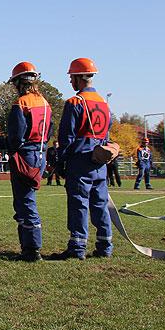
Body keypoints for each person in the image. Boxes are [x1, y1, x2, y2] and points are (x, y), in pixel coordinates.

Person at [56, 58, 113, 260]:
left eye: (72, 77)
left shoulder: (75, 102)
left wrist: (60, 160)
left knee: (79, 203)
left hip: (79, 161)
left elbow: (67, 137)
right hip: (100, 162)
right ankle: (105, 246)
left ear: (79, 78)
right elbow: (107, 134)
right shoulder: (104, 104)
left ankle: (77, 248)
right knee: (100, 205)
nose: (71, 82)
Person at [0, 61, 53, 262]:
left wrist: (0, 142)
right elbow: (49, 133)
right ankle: (28, 246)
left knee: (25, 202)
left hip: (25, 155)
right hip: (40, 155)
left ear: (19, 83)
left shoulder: (21, 103)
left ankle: (31, 249)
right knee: (26, 201)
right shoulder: (46, 104)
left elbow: (15, 138)